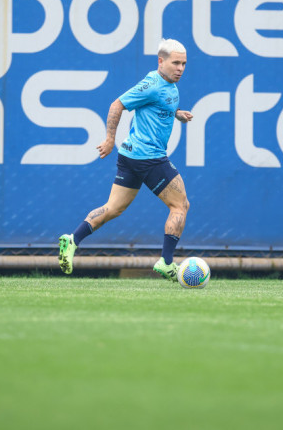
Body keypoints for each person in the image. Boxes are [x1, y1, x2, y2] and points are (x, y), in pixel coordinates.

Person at [58, 38, 193, 281]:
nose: (180, 68)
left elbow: (160, 106)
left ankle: (72, 239)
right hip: (149, 158)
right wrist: (110, 139)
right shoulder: (151, 84)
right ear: (160, 62)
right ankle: (166, 262)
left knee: (113, 208)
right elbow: (117, 105)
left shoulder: (170, 84)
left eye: (184, 64)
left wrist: (177, 114)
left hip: (131, 156)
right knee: (180, 205)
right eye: (176, 63)